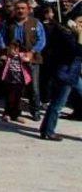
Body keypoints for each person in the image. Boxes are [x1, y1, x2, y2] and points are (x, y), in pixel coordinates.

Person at [0, 0, 46, 121]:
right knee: (14, 87)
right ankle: (12, 112)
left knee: (33, 87)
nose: (20, 10)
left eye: (23, 8)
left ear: (28, 9)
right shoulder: (7, 23)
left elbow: (42, 40)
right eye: (18, 8)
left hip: (31, 59)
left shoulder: (36, 23)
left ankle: (35, 111)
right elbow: (0, 38)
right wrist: (6, 50)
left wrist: (32, 51)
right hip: (13, 59)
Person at [39, 12, 82, 141]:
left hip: (73, 74)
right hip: (65, 74)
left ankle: (46, 129)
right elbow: (77, 52)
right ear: (72, 22)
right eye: (80, 22)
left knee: (57, 103)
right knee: (58, 104)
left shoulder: (72, 35)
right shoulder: (66, 35)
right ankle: (48, 131)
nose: (81, 25)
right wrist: (80, 36)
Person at [0, 41, 32, 123]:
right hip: (10, 80)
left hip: (19, 81)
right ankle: (6, 114)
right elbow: (2, 58)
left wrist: (24, 58)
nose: (13, 51)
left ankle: (16, 115)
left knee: (18, 99)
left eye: (15, 49)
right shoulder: (8, 57)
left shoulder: (21, 56)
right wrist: (3, 57)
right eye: (11, 49)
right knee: (9, 98)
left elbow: (28, 59)